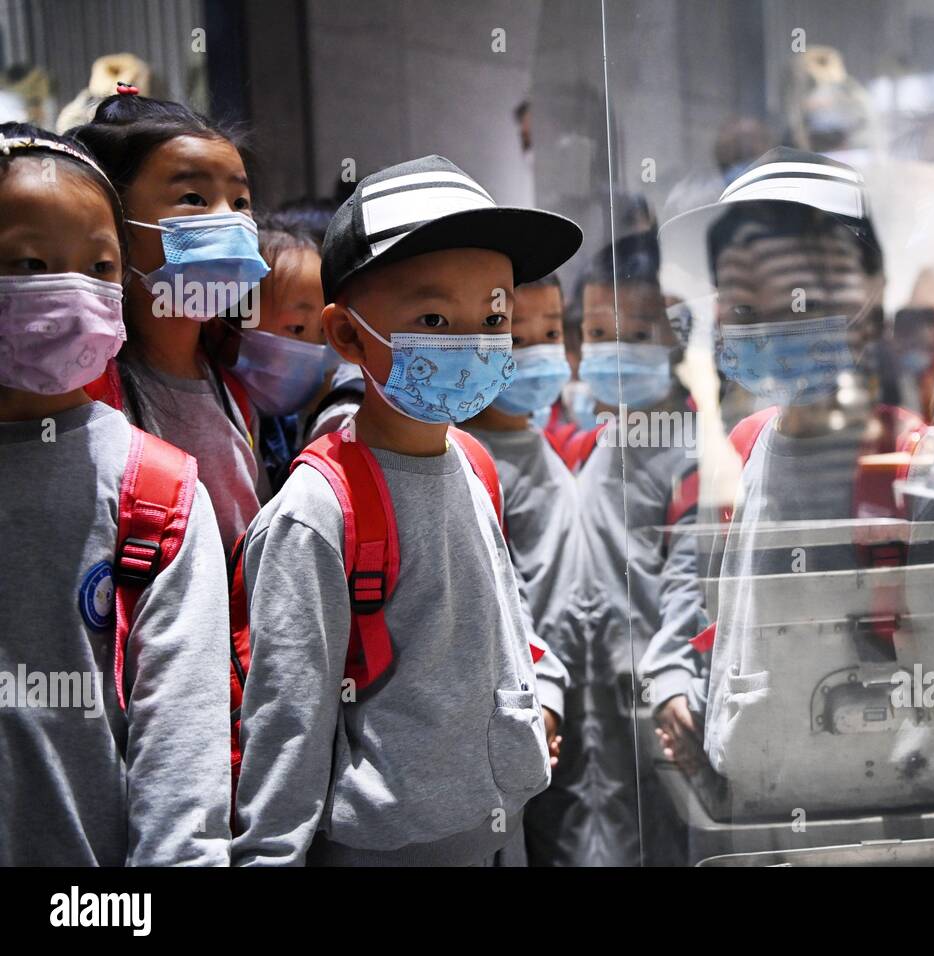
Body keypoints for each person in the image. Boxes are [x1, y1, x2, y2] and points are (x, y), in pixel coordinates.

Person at [647, 148, 934, 833]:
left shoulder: (918, 472)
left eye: (799, 297)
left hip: (887, 832)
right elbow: (693, 586)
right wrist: (672, 681)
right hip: (754, 825)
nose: (767, 323)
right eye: (745, 304)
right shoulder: (740, 449)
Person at [231, 154, 582, 866]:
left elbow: (508, 621)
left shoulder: (475, 463)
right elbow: (287, 728)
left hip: (499, 832)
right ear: (349, 336)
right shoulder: (317, 512)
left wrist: (536, 695)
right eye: (432, 317)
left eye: (492, 315)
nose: (473, 340)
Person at [0, 124, 231, 864]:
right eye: (31, 262)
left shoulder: (155, 491)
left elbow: (181, 779)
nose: (69, 289)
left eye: (99, 266)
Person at [540, 231, 704, 866]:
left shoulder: (690, 453)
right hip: (586, 696)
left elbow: (690, 580)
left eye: (637, 336)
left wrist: (668, 672)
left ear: (675, 340)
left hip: (663, 701)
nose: (614, 353)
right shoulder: (587, 445)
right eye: (599, 333)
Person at [73, 90, 271, 552]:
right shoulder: (89, 395)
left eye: (241, 202)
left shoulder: (237, 389)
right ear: (115, 222)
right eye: (193, 197)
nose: (229, 221)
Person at [460, 273, 581, 864]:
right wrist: (543, 694)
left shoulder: (541, 442)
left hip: (566, 705)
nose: (536, 353)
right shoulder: (470, 460)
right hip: (527, 711)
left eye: (551, 333)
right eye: (514, 336)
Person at [232, 211, 337, 489]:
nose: (316, 350)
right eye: (297, 329)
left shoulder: (282, 420)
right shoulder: (224, 423)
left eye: (322, 334)